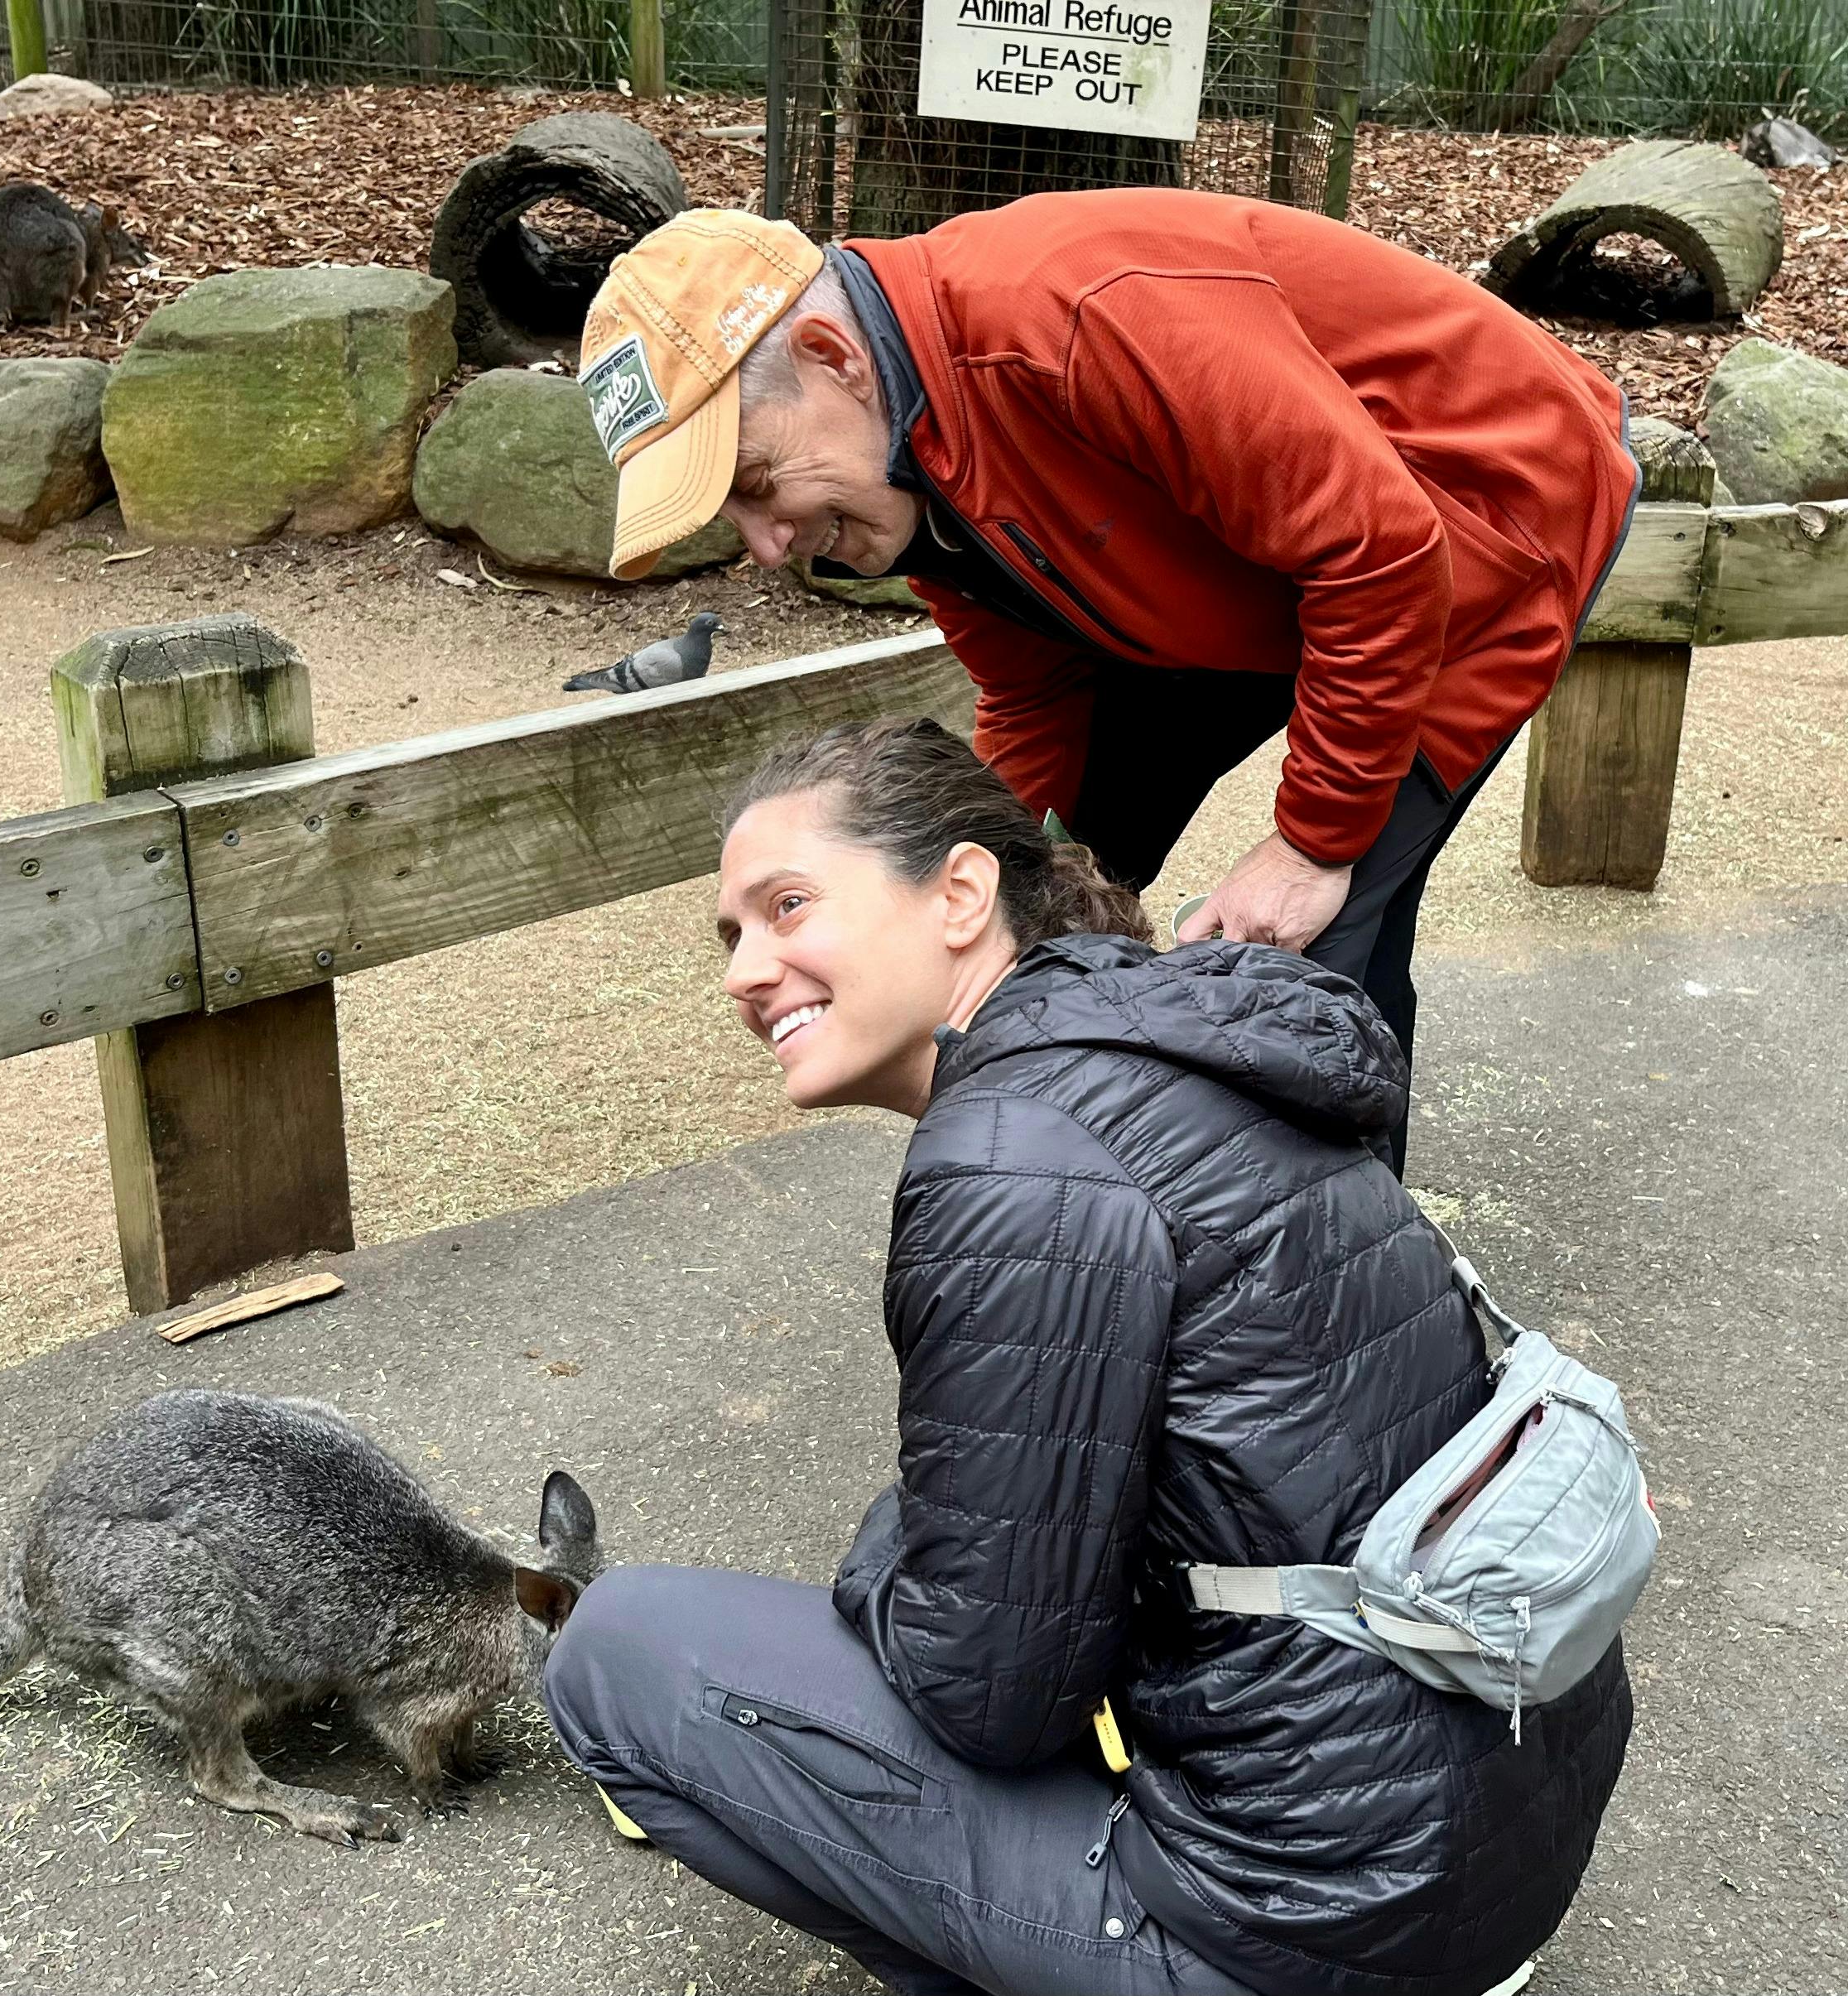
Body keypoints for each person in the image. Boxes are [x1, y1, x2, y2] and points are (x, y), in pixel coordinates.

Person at [541, 717, 1633, 1996]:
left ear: (960, 894)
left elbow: (990, 1697)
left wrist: (886, 1558)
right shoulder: (1176, 1040)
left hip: (1302, 1920)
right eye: (730, 937)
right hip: (1493, 1838)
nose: (746, 969)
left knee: (615, 1649)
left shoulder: (1011, 1159)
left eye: (787, 907)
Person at [574, 201, 1643, 1172]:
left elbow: (1379, 554)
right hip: (1254, 567)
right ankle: (1085, 1186)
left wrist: (1313, 844)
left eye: (756, 484)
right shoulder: (899, 455)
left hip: (1480, 518)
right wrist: (950, 887)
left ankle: (1324, 1310)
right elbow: (1037, 697)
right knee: (1038, 888)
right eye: (734, 517)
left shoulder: (1071, 319)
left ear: (830, 355)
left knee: (1314, 952)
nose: (768, 547)